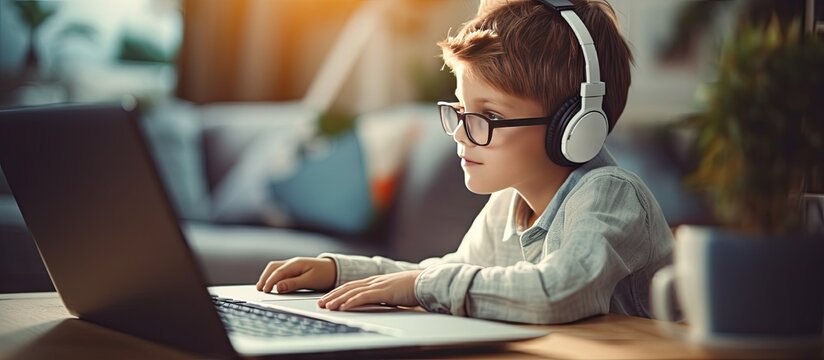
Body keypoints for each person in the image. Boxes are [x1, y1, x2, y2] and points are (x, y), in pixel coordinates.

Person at [256, 0, 673, 324]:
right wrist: (340, 272)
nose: (459, 132)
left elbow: (557, 292)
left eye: (489, 117)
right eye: (459, 110)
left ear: (575, 126)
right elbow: (451, 274)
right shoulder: (511, 202)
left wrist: (421, 284)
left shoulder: (610, 195)